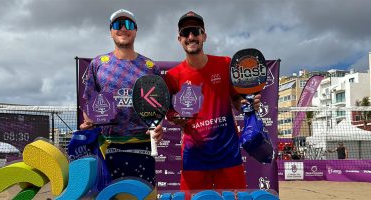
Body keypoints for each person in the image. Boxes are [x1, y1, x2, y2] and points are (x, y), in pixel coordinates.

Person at [164, 11, 262, 196]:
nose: (191, 37)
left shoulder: (225, 64)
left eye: (195, 31)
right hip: (194, 156)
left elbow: (236, 101)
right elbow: (170, 112)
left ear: (204, 36)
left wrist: (249, 105)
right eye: (186, 33)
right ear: (179, 39)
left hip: (228, 154)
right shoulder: (172, 76)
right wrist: (177, 118)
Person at [79, 9, 163, 194]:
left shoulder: (150, 66)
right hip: (108, 148)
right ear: (110, 32)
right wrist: (89, 119)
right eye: (118, 25)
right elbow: (87, 100)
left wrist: (158, 127)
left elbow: (157, 106)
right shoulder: (98, 63)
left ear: (136, 30)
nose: (123, 29)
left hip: (142, 147)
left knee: (143, 195)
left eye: (129, 25)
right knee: (109, 197)